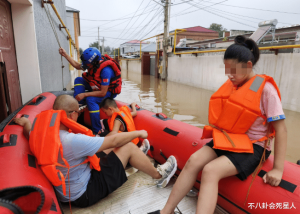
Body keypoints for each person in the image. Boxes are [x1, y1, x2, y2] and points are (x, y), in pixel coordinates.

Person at [148, 35, 287, 214]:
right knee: (193, 161)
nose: (229, 76)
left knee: (210, 171)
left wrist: (278, 169)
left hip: (253, 146)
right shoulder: (234, 84)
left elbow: (281, 130)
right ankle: (166, 211)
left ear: (248, 66)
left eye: (233, 71)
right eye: (227, 70)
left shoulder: (266, 90)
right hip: (230, 139)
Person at [14, 94, 177, 208]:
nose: (78, 116)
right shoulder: (71, 140)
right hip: (83, 193)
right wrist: (139, 133)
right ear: (71, 115)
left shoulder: (40, 133)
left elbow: (29, 132)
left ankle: (136, 156)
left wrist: (26, 123)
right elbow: (112, 140)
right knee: (126, 145)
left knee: (114, 145)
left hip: (67, 187)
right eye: (78, 112)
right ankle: (159, 175)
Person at [59, 47, 122, 134]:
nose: (85, 66)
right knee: (78, 79)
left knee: (90, 99)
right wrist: (65, 54)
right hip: (97, 85)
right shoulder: (91, 63)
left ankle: (98, 130)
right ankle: (79, 104)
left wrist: (84, 95)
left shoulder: (106, 71)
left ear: (94, 63)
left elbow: (103, 93)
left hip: (107, 91)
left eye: (87, 65)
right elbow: (77, 65)